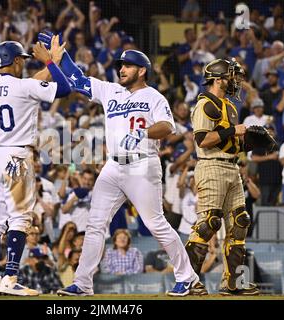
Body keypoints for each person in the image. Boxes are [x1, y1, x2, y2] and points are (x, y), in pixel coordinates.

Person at [38, 31, 198, 296]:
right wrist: (61, 56)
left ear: (142, 71)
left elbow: (168, 127)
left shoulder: (154, 97)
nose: (122, 69)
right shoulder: (110, 90)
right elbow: (78, 80)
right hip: (113, 166)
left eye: (128, 66)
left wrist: (145, 132)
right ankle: (83, 283)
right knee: (95, 223)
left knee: (156, 223)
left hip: (142, 166)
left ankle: (187, 276)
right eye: (121, 65)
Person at [0, 38, 71, 296]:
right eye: (22, 60)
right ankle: (11, 277)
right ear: (15, 61)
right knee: (20, 218)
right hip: (16, 155)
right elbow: (65, 89)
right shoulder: (24, 85)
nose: (23, 64)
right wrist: (48, 61)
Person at [185, 58, 259, 295]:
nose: (235, 80)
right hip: (210, 166)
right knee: (209, 223)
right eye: (231, 76)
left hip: (231, 166)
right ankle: (188, 282)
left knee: (240, 223)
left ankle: (233, 283)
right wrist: (231, 131)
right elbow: (203, 140)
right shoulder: (205, 104)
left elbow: (230, 143)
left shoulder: (230, 106)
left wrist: (248, 143)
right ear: (218, 79)